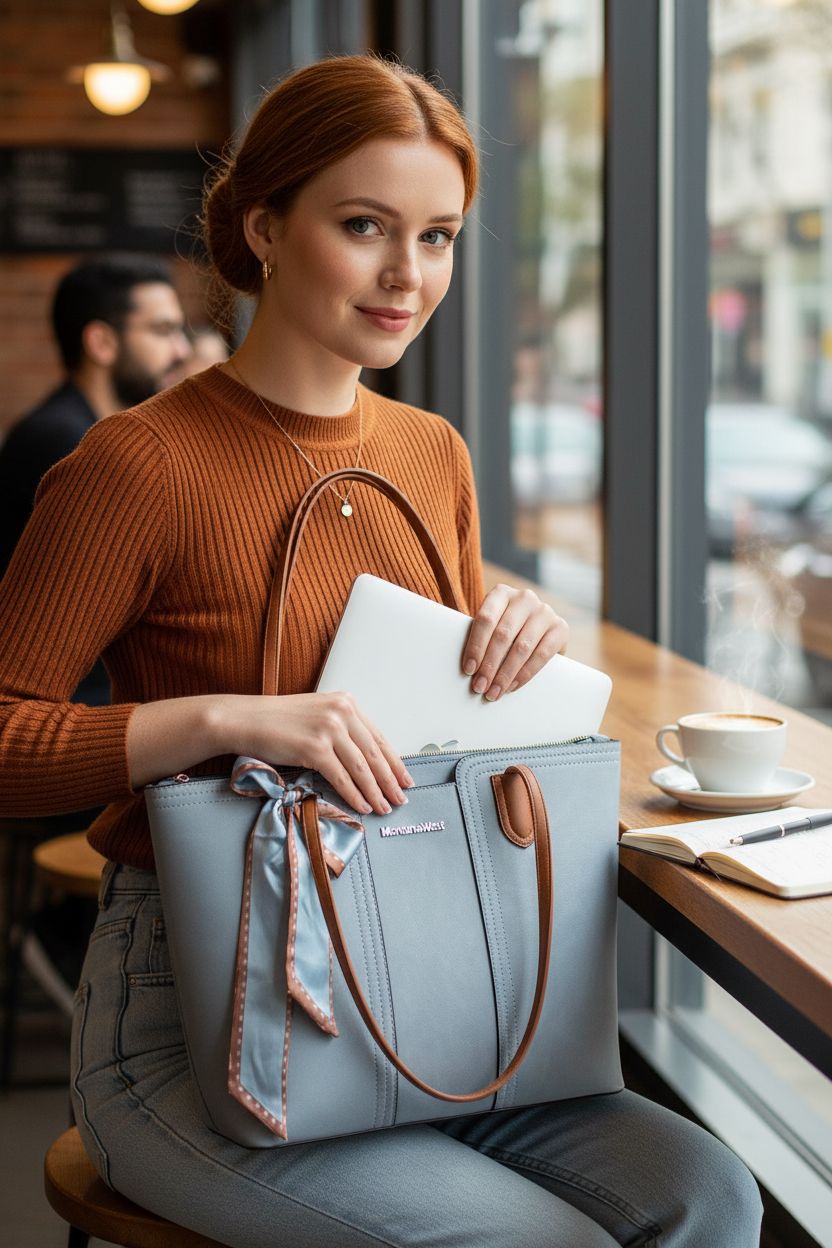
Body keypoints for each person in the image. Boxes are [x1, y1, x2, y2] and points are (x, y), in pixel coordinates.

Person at [0, 55, 762, 1247]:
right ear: (264, 227)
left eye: (440, 235)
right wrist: (226, 720)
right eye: (364, 226)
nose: (409, 274)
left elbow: (442, 731)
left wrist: (508, 640)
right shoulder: (136, 464)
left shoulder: (430, 453)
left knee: (710, 1197)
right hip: (195, 1025)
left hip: (431, 990)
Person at [0, 253, 191, 589]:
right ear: (102, 343)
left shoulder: (82, 430)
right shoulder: (65, 442)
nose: (182, 351)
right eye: (163, 331)